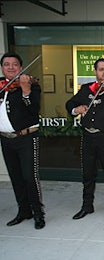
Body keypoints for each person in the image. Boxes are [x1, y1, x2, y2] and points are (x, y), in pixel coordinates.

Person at [66, 58, 104, 221]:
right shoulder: (86, 89)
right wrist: (75, 109)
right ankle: (87, 206)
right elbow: (70, 103)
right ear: (95, 71)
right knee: (88, 174)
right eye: (101, 69)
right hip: (88, 137)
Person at [0, 52, 45, 229]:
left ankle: (38, 213)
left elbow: (34, 109)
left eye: (14, 64)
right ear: (2, 67)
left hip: (26, 138)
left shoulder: (31, 86)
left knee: (29, 176)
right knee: (16, 177)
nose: (10, 67)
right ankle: (23, 211)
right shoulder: (2, 86)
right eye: (6, 64)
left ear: (20, 67)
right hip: (6, 139)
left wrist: (25, 91)